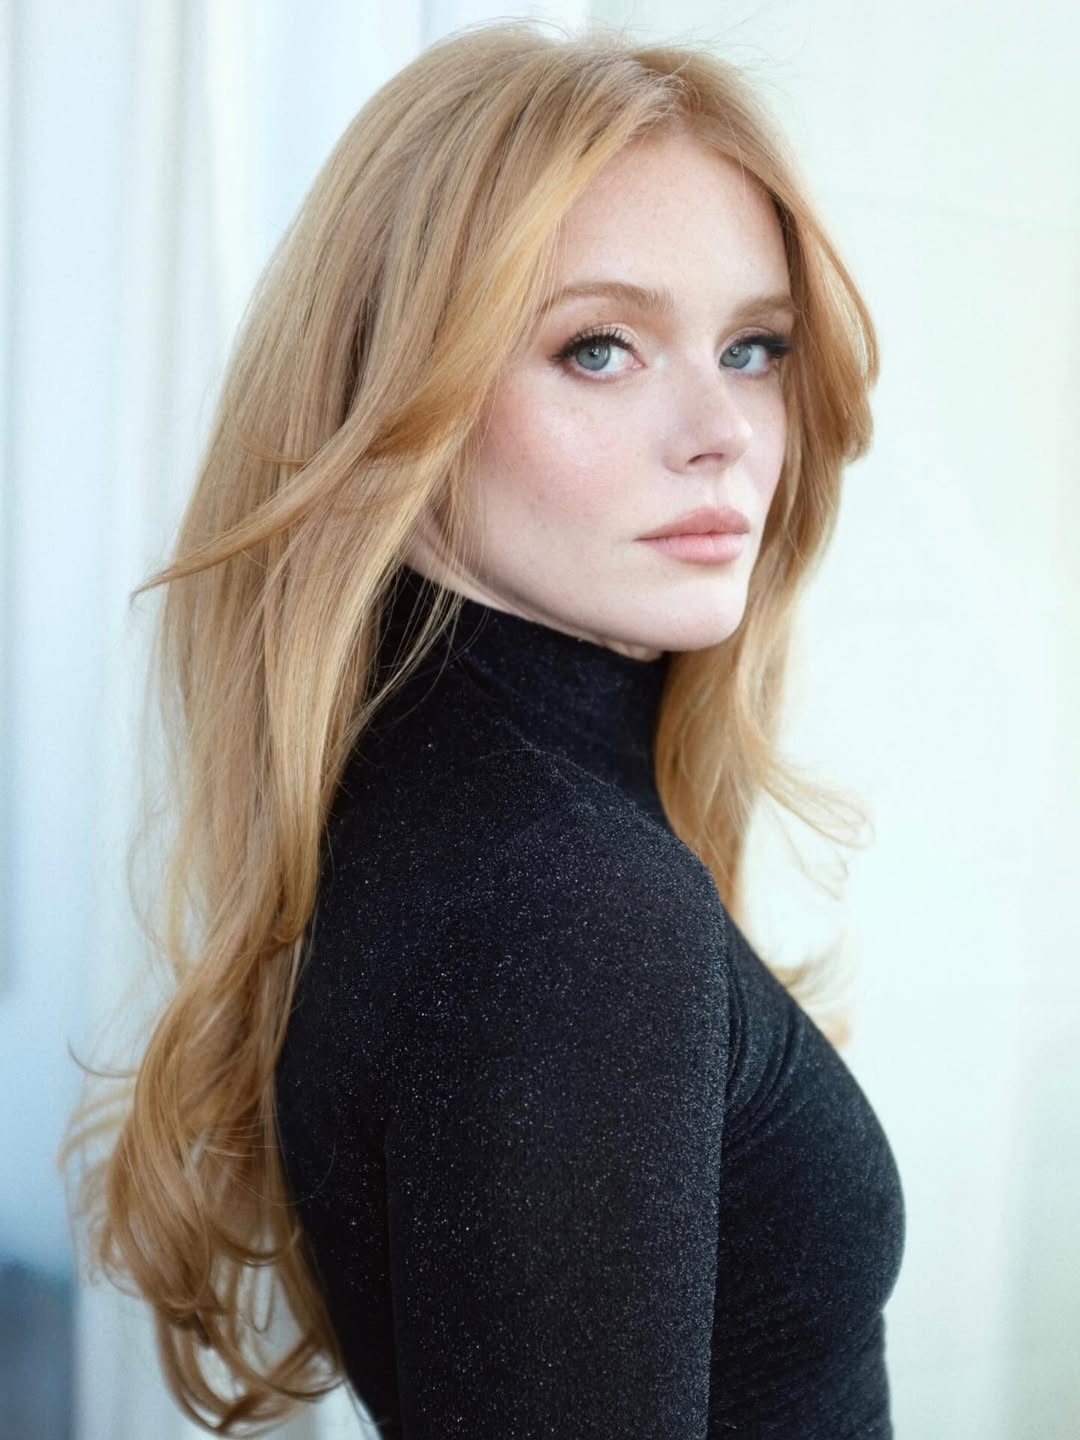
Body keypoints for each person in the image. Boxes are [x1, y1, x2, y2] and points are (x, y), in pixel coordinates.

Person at [61, 19, 905, 1438]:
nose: (724, 432)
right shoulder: (565, 904)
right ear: (396, 396)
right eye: (599, 349)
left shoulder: (458, 817)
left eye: (754, 347)